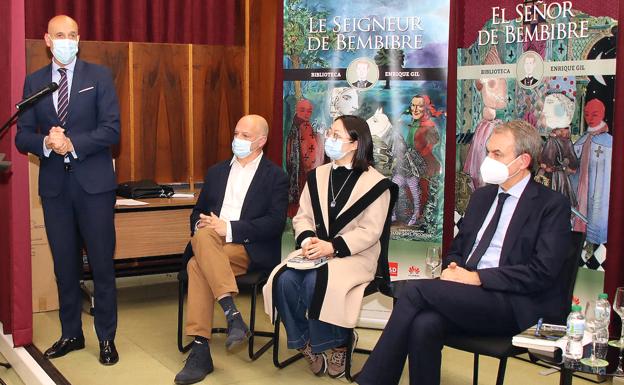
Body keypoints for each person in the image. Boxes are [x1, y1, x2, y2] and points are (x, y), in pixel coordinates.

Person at [357, 120, 571, 385]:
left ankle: (371, 381)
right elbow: (457, 250)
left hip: (514, 303)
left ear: (523, 160)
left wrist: (479, 278)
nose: (488, 160)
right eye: (488, 152)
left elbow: (542, 273)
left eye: (497, 154)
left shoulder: (551, 205)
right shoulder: (482, 197)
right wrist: (455, 268)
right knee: (424, 324)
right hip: (469, 296)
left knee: (414, 291)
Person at [15, 15, 121, 365]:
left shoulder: (99, 77)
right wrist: (47, 141)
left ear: (79, 39)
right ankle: (71, 333)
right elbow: (22, 135)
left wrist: (71, 143)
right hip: (56, 189)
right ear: (47, 39)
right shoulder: (34, 82)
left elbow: (111, 131)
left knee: (102, 266)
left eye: (72, 35)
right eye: (60, 35)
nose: (66, 40)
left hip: (94, 187)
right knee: (64, 267)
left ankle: (106, 338)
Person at [263, 115, 393, 379]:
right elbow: (302, 216)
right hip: (314, 251)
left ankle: (339, 344)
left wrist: (332, 247)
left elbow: (371, 231)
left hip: (355, 256)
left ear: (355, 143)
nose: (329, 140)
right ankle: (305, 343)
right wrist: (308, 239)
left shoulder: (377, 184)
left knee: (315, 282)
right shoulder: (318, 176)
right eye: (329, 133)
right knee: (283, 281)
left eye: (337, 135)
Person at [174, 115, 288, 385]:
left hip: (246, 247)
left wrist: (230, 228)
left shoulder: (275, 177)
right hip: (211, 242)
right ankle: (231, 315)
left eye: (246, 136)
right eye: (236, 133)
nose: (238, 139)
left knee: (196, 264)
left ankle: (201, 348)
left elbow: (274, 223)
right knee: (202, 237)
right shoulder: (217, 171)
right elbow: (197, 213)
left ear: (261, 142)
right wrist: (204, 223)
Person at [571, 98, 611, 245]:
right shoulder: (582, 140)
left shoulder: (609, 143)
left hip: (600, 192)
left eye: (594, 114)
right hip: (582, 190)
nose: (590, 119)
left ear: (602, 114)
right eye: (587, 114)